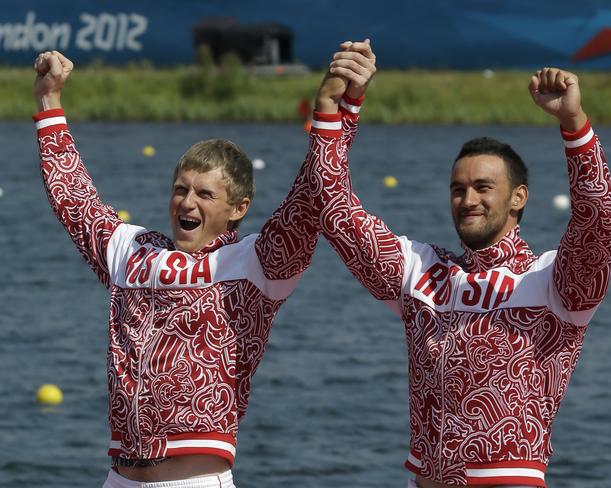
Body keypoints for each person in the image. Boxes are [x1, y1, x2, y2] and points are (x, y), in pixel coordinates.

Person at [32, 49, 371, 487]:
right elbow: (73, 199)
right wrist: (48, 101)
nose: (187, 203)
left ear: (238, 208)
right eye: (180, 190)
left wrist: (340, 109)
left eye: (204, 195)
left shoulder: (256, 264)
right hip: (118, 477)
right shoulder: (131, 250)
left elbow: (311, 198)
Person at [313, 51, 611, 488]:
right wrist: (339, 108)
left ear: (518, 198)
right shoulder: (421, 271)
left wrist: (574, 126)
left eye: (483, 187)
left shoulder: (554, 283)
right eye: (458, 189)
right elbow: (334, 211)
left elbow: (597, 218)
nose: (468, 199)